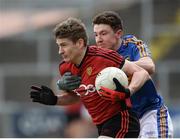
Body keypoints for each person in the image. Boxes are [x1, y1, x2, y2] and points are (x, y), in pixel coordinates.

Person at [30, 17, 151, 138]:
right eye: (58, 46)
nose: (60, 51)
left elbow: (142, 73)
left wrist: (129, 90)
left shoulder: (104, 57)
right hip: (102, 126)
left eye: (64, 45)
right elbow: (77, 97)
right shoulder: (65, 68)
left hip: (123, 121)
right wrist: (55, 100)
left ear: (79, 43)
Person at [92, 11, 173, 138]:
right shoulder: (96, 57)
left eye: (103, 33)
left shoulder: (131, 44)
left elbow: (149, 66)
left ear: (118, 34)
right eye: (96, 34)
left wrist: (121, 66)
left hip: (149, 113)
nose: (98, 39)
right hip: (124, 120)